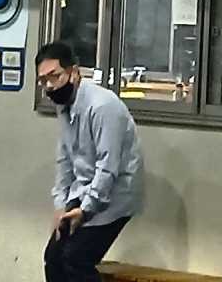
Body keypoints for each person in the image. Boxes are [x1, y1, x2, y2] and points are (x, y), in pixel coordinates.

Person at [38, 41, 144, 282]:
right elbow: (65, 160)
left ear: (74, 72)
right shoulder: (64, 105)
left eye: (55, 76)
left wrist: (85, 210)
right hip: (85, 189)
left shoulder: (103, 106)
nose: (50, 85)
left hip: (116, 195)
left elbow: (108, 168)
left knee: (76, 259)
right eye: (43, 81)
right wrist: (61, 205)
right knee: (53, 258)